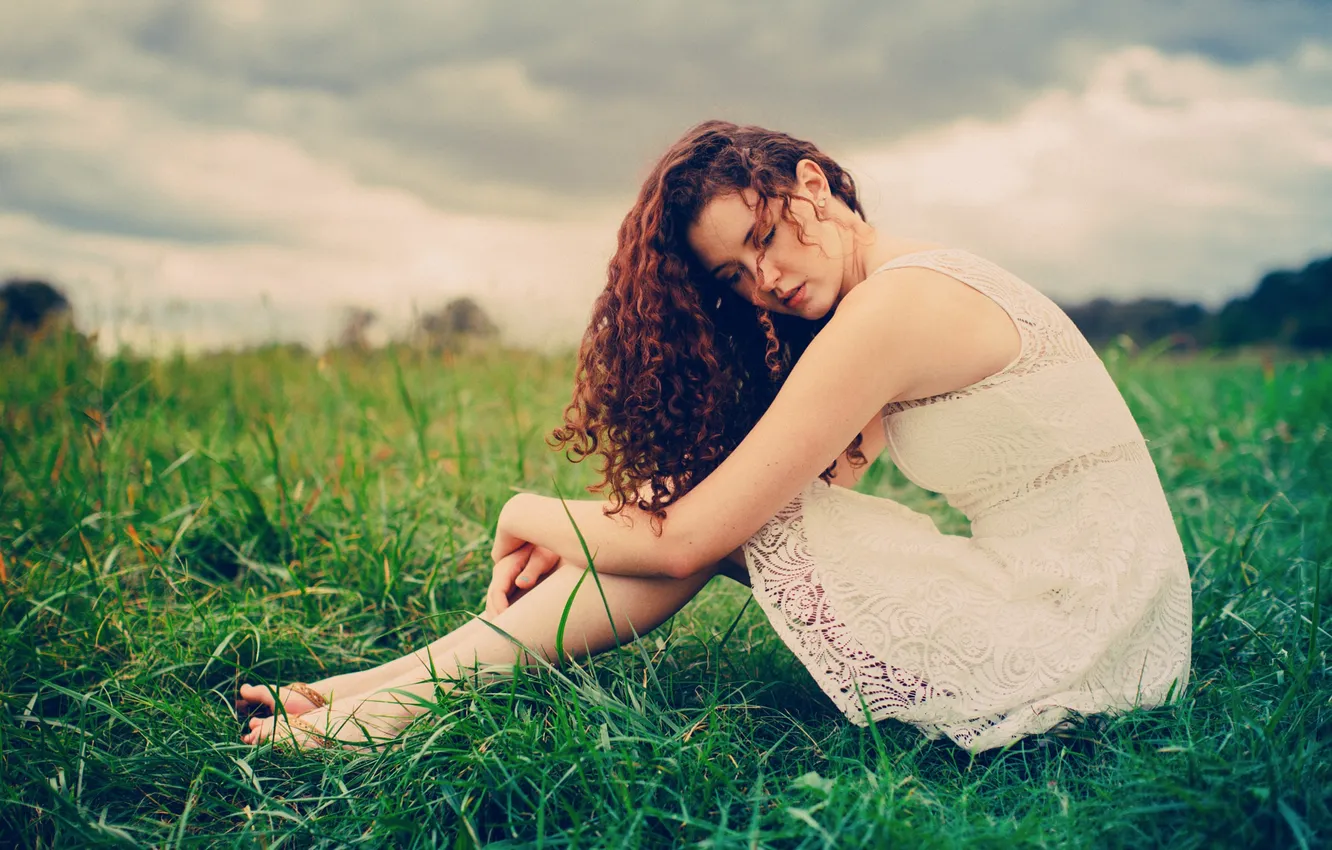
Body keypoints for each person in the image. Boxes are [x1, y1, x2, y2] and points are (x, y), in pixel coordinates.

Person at [238, 120, 1192, 752]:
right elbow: (794, 494)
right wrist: (631, 517)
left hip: (1079, 633)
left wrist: (526, 509)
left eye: (765, 237)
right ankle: (381, 687)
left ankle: (394, 705)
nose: (764, 280)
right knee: (708, 511)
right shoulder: (896, 287)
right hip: (1102, 609)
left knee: (712, 520)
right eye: (734, 275)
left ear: (810, 184)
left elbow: (700, 534)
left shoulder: (896, 307)